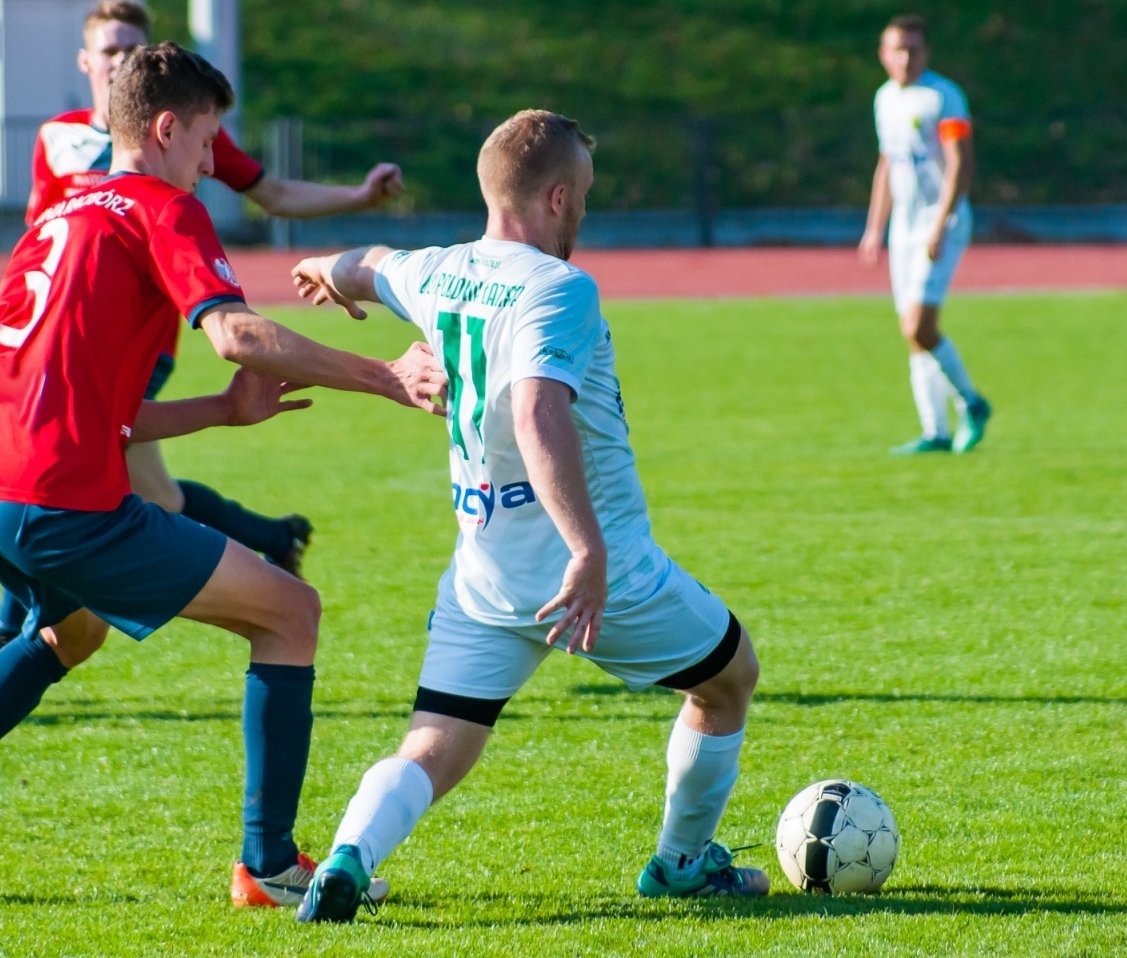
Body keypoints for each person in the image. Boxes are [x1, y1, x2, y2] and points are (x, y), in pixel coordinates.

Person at [0, 44, 443, 909]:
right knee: (290, 613)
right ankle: (269, 866)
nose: (211, 165)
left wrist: (221, 412)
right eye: (206, 143)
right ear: (167, 130)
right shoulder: (161, 206)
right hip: (58, 501)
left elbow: (108, 412)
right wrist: (384, 375)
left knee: (69, 633)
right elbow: (237, 334)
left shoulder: (59, 217)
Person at [285, 110, 768, 923]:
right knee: (730, 679)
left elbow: (369, 264)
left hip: (485, 574)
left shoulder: (437, 269)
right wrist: (587, 551)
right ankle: (681, 864)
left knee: (435, 745)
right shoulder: (560, 287)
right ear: (554, 196)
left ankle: (347, 857)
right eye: (580, 195)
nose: (583, 211)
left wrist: (321, 269)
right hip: (594, 573)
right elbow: (538, 409)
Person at [0, 0, 406, 678]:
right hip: (67, 341)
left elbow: (270, 193)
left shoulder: (188, 134)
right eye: (110, 48)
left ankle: (15, 636)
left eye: (134, 45)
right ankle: (271, 536)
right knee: (136, 494)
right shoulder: (56, 138)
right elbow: (42, 237)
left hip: (139, 344)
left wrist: (357, 197)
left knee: (75, 479)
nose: (122, 57)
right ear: (86, 61)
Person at [858, 14, 992, 454]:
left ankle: (971, 402)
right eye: (898, 49)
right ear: (883, 55)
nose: (906, 58)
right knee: (910, 330)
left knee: (921, 324)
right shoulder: (884, 99)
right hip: (904, 229)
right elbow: (887, 163)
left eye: (914, 49)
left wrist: (940, 222)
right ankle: (935, 431)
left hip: (942, 224)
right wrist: (875, 226)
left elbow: (961, 163)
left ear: (926, 53)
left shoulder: (943, 96)